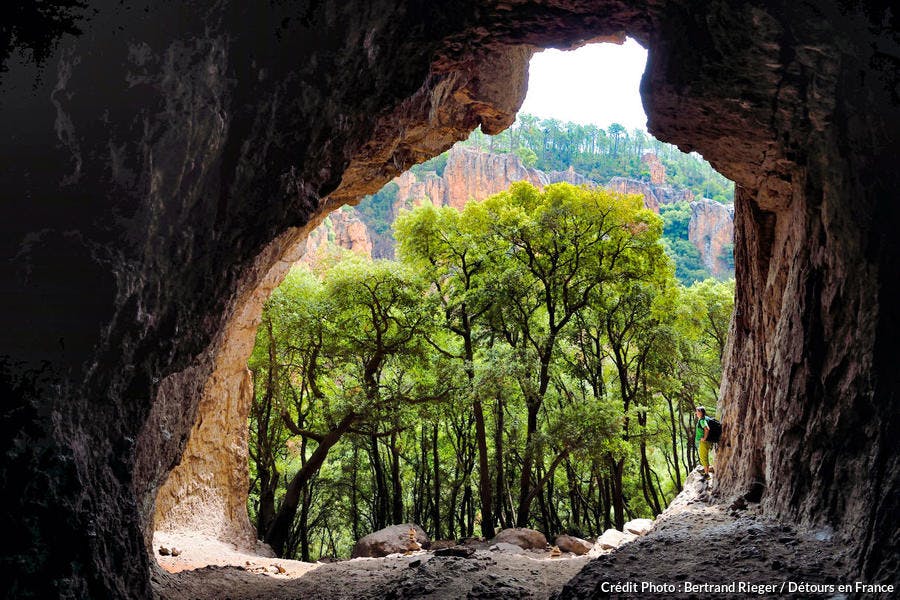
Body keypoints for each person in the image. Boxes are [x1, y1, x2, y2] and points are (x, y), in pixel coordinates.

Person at [695, 406, 712, 479]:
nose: (696, 413)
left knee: (703, 457)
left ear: (701, 412)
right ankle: (706, 471)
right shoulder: (707, 418)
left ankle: (707, 475)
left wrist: (704, 438)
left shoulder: (702, 420)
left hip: (704, 442)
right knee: (704, 456)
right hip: (707, 441)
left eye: (698, 411)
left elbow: (707, 429)